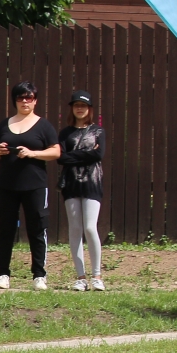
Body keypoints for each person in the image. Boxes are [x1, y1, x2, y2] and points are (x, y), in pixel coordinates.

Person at [0, 81, 60, 290]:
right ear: (15, 101)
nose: (25, 101)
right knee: (6, 230)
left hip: (35, 185)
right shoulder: (4, 124)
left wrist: (32, 153)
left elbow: (55, 152)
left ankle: (39, 275)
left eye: (29, 98)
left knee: (37, 228)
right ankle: (3, 274)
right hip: (7, 185)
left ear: (35, 101)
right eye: (21, 98)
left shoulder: (44, 125)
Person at [58, 90, 106, 292]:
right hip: (70, 183)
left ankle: (97, 276)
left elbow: (98, 155)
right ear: (72, 108)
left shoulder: (98, 131)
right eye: (76, 105)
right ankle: (81, 277)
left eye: (84, 105)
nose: (80, 108)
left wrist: (75, 155)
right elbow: (61, 158)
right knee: (75, 229)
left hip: (92, 182)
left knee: (89, 227)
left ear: (89, 109)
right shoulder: (64, 133)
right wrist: (86, 153)